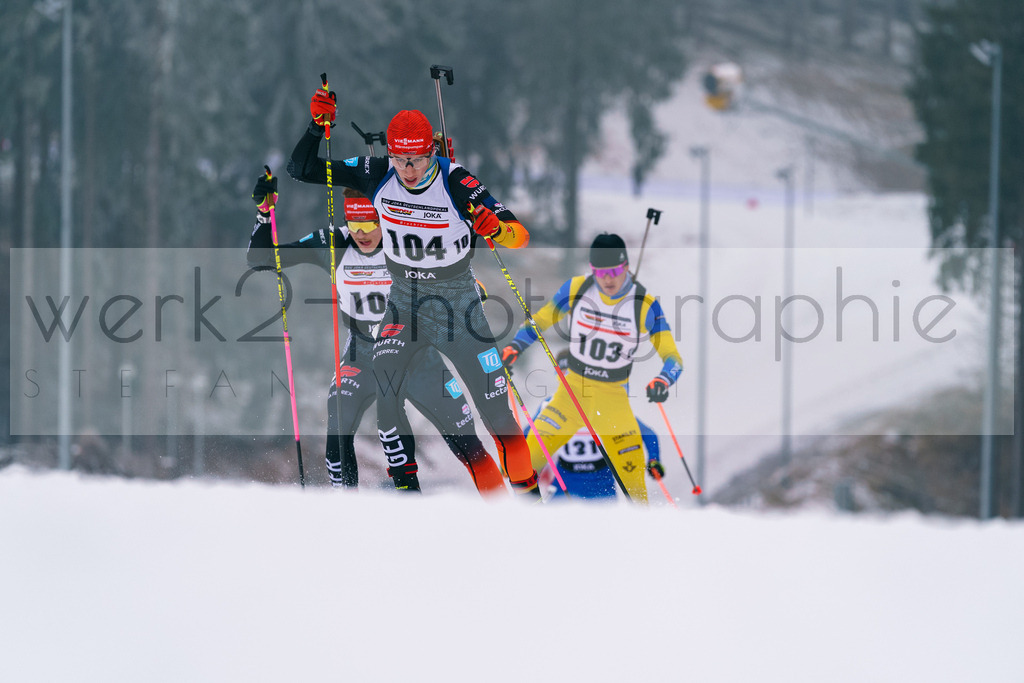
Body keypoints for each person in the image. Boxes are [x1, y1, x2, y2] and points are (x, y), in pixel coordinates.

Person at [288, 90, 540, 497]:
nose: (408, 169)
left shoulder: (456, 180)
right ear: (390, 153)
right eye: (400, 159)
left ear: (431, 152)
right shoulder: (375, 172)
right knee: (388, 408)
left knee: (499, 419)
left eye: (418, 159)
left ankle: (526, 505)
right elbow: (301, 169)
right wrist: (317, 128)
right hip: (403, 307)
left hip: (458, 307)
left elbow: (520, 236)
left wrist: (495, 227)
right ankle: (409, 506)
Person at [248, 173, 506, 496]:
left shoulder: (407, 241)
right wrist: (263, 213)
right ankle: (350, 522)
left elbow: (454, 256)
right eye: (354, 225)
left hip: (418, 360)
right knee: (338, 439)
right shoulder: (336, 243)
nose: (361, 235)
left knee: (469, 446)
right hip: (363, 357)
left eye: (369, 224)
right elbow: (259, 259)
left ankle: (502, 513)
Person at [501, 233, 683, 503]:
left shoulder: (644, 305)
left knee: (636, 490)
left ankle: (643, 539)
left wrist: (663, 380)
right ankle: (529, 522)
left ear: (626, 267)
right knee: (521, 466)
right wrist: (515, 346)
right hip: (572, 395)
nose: (608, 279)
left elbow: (673, 358)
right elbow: (541, 321)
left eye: (615, 271)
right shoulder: (577, 288)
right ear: (592, 269)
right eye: (601, 271)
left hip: (613, 402)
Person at [525, 351, 663, 501]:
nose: (566, 378)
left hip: (601, 483)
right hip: (565, 481)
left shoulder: (604, 404)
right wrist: (513, 463)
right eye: (562, 372)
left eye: (570, 373)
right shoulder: (549, 405)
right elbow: (529, 433)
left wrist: (654, 459)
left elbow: (645, 432)